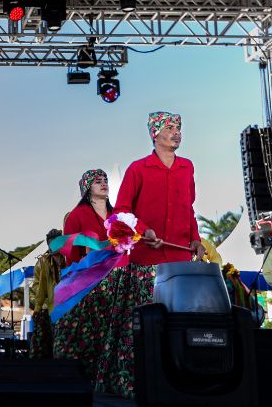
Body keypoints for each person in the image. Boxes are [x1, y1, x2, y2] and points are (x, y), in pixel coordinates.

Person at [103, 111, 204, 398]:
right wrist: (144, 230)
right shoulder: (138, 169)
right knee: (145, 325)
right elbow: (121, 211)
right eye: (169, 127)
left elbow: (189, 209)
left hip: (181, 263)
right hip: (147, 261)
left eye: (178, 127)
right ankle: (135, 385)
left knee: (178, 325)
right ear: (154, 133)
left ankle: (178, 383)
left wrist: (196, 239)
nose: (176, 132)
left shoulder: (187, 167)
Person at [52, 169, 117, 380]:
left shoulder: (117, 215)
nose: (104, 183)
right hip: (86, 284)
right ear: (87, 188)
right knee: (85, 333)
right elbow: (69, 254)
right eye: (98, 181)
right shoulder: (76, 216)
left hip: (116, 282)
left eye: (105, 180)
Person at [29, 229, 63, 359]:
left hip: (63, 307)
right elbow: (37, 286)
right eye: (51, 243)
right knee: (42, 345)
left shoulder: (67, 259)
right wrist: (41, 305)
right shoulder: (42, 262)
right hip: (46, 308)